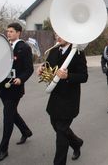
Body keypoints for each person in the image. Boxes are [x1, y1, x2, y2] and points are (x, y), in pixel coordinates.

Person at [38, 33, 87, 165]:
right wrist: (42, 70)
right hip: (55, 97)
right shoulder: (54, 50)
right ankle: (76, 143)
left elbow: (84, 76)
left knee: (61, 133)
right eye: (56, 35)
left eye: (61, 35)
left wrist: (68, 76)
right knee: (57, 126)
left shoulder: (77, 53)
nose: (58, 38)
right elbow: (48, 66)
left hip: (69, 99)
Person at [0, 23, 34, 163]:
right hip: (4, 86)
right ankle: (26, 131)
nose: (8, 33)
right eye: (7, 31)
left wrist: (20, 79)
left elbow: (29, 69)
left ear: (18, 33)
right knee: (12, 113)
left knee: (8, 117)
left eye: (11, 31)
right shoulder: (6, 46)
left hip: (15, 88)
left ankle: (3, 149)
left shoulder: (24, 48)